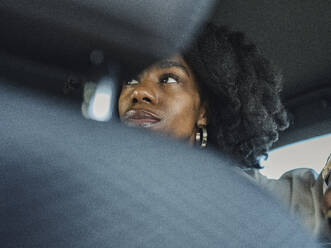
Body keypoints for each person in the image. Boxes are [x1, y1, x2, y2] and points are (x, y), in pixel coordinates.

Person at [83, 23, 331, 241]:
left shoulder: (239, 192)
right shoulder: (80, 173)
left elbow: (313, 205)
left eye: (169, 78)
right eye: (131, 80)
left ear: (203, 111)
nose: (139, 92)